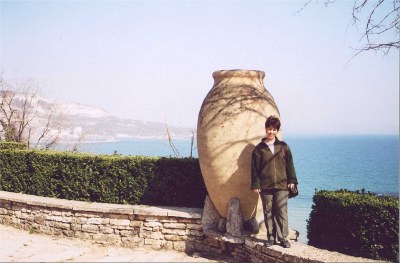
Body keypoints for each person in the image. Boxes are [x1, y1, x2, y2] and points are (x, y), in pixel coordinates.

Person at [250, 115, 298, 248]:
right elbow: (255, 169)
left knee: (282, 211)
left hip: (282, 185)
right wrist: (256, 184)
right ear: (266, 129)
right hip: (265, 186)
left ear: (277, 131)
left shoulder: (284, 147)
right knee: (268, 211)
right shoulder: (259, 149)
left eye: (274, 129)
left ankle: (283, 238)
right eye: (269, 129)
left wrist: (292, 180)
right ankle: (271, 237)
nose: (271, 132)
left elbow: (290, 165)